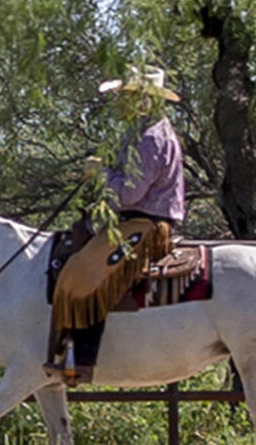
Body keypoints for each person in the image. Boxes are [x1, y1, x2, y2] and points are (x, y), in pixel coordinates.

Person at [45, 63, 185, 384]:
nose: (119, 102)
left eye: (127, 96)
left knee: (88, 271)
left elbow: (131, 194)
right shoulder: (141, 133)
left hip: (147, 225)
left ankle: (81, 359)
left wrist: (101, 175)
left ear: (145, 101)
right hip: (136, 220)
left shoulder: (151, 138)